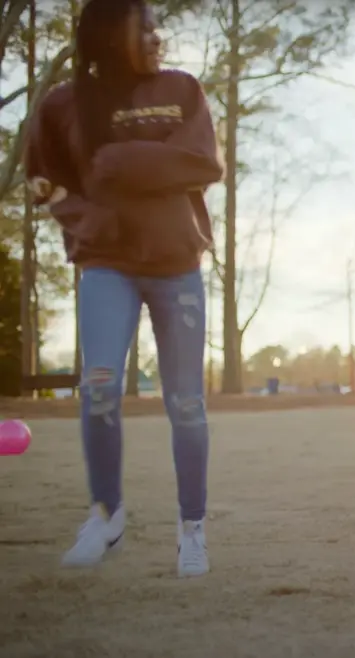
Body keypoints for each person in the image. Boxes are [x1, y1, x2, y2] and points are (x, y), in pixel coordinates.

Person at [24, 0, 223, 575]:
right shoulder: (64, 104)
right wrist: (89, 216)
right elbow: (45, 183)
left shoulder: (182, 90)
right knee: (100, 386)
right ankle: (106, 515)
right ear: (113, 34)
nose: (158, 37)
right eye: (147, 27)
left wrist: (119, 160)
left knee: (186, 402)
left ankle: (192, 526)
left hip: (175, 263)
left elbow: (201, 162)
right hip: (106, 264)